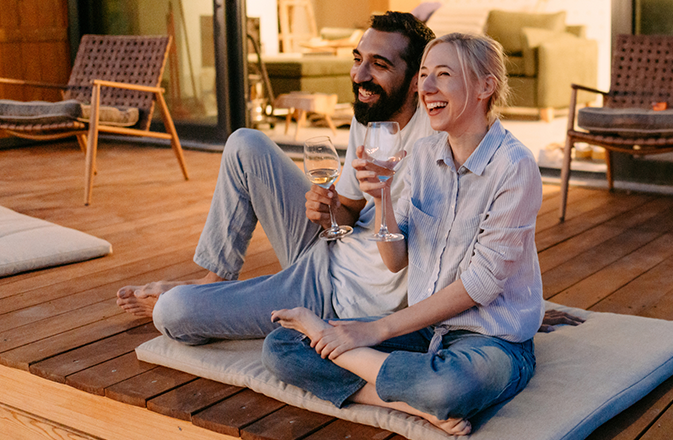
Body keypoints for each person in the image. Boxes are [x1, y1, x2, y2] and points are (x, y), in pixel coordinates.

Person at [262, 33, 546, 436]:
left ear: (486, 86)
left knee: (451, 385)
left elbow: (481, 284)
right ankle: (419, 405)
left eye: (443, 75)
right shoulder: (424, 156)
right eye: (424, 75)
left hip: (490, 339)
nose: (425, 87)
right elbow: (396, 259)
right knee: (281, 347)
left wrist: (374, 330)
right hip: (426, 329)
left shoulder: (514, 166)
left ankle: (421, 392)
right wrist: (382, 201)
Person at [116, 12, 438, 343]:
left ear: (417, 80)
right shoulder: (371, 112)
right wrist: (327, 211)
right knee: (245, 143)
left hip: (336, 294)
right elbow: (349, 209)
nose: (359, 75)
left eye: (379, 64)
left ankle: (220, 298)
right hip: (328, 246)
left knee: (174, 311)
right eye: (358, 59)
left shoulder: (439, 136)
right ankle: (215, 279)